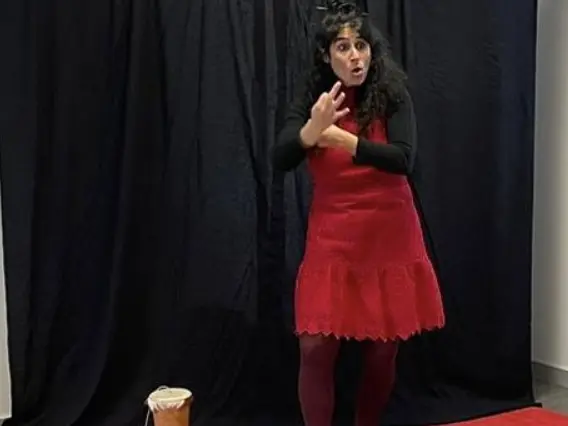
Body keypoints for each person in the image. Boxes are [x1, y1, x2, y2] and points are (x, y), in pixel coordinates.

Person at [272, 2, 446, 426]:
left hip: (390, 233)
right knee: (315, 346)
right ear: (325, 55)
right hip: (333, 236)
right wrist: (312, 131)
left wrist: (341, 140)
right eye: (343, 47)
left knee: (383, 348)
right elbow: (281, 157)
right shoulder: (313, 101)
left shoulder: (392, 94)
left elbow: (403, 159)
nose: (355, 56)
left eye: (362, 46)